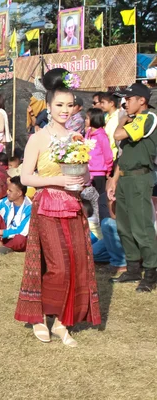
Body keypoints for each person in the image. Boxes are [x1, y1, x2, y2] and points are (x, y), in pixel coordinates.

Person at [15, 68, 101, 347]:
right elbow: (26, 177)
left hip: (73, 205)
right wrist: (59, 179)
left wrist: (80, 177)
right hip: (47, 206)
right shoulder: (38, 138)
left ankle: (64, 321)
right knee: (57, 267)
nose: (65, 110)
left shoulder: (77, 138)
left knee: (76, 264)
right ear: (49, 106)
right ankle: (40, 316)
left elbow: (86, 174)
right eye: (59, 105)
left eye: (69, 105)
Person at [107, 83, 157, 292]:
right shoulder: (132, 119)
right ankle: (133, 267)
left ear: (141, 100)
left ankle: (151, 271)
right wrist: (114, 180)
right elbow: (123, 154)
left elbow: (117, 136)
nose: (125, 103)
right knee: (124, 226)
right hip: (126, 177)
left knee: (141, 226)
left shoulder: (148, 117)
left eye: (128, 99)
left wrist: (120, 121)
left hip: (139, 177)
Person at [0, 176, 32, 254]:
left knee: (20, 239)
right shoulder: (6, 201)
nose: (7, 192)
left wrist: (1, 232)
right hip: (2, 236)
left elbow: (22, 231)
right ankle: (0, 245)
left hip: (14, 237)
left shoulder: (29, 208)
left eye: (10, 191)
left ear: (19, 193)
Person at [92, 193, 126, 271]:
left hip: (138, 233)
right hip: (120, 233)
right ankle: (130, 257)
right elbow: (113, 217)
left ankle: (121, 263)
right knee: (92, 254)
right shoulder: (105, 196)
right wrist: (110, 201)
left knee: (108, 223)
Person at [85, 108, 113, 194]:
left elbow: (108, 154)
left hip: (98, 173)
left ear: (94, 119)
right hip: (88, 172)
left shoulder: (101, 135)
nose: (85, 120)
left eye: (87, 118)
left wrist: (109, 169)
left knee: (98, 198)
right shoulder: (88, 133)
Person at [99, 92, 121, 160]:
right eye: (101, 103)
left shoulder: (117, 117)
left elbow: (112, 139)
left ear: (111, 103)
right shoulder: (106, 116)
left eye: (103, 103)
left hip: (112, 156)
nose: (101, 105)